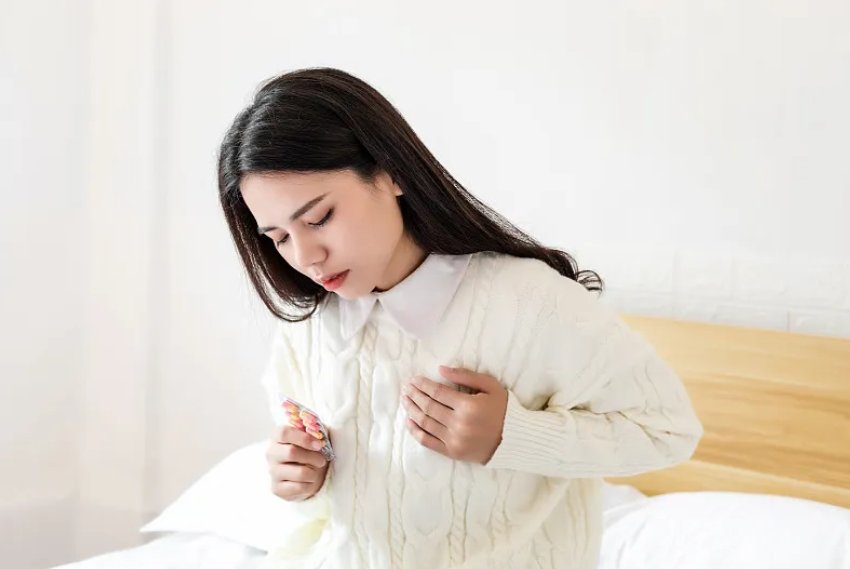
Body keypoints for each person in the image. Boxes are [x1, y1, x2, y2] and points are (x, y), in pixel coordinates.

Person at [217, 67, 703, 569]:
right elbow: (333, 513)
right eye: (279, 238)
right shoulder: (310, 327)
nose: (306, 257)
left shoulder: (529, 302)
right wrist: (301, 482)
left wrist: (511, 436)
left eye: (319, 218)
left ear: (390, 173)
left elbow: (667, 432)